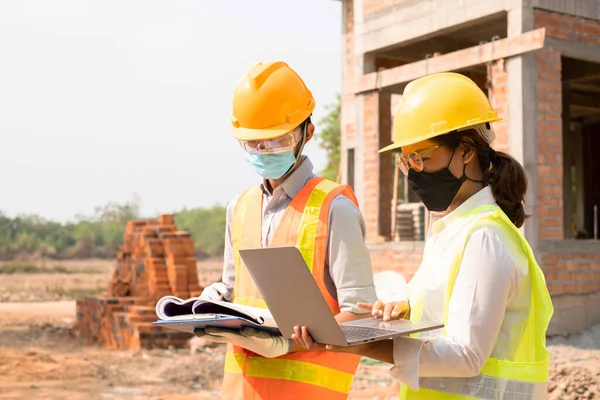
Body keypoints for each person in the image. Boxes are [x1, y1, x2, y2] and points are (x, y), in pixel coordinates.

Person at [292, 72, 554, 399]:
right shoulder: (449, 230)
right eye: (407, 161)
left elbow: (466, 356)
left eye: (423, 158)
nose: (414, 172)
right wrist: (405, 311)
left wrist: (361, 344)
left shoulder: (485, 237)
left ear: (466, 151)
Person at [196, 61, 378, 399]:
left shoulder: (335, 207)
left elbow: (362, 313)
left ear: (307, 132)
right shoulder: (239, 207)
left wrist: (301, 339)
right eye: (254, 143)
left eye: (277, 139)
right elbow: (235, 289)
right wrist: (214, 300)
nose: (264, 151)